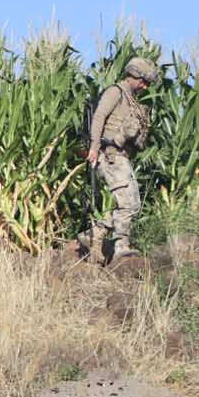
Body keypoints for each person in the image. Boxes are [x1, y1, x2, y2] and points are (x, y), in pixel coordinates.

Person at [81, 57, 158, 264]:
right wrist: (94, 148)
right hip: (111, 155)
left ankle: (94, 234)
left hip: (121, 157)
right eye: (143, 81)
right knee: (128, 204)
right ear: (133, 75)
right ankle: (121, 246)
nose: (145, 86)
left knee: (132, 204)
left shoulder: (131, 98)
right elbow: (99, 117)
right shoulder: (115, 92)